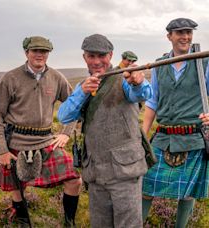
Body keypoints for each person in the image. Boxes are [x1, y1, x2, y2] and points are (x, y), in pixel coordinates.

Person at [57, 34, 152, 227]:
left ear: (110, 55)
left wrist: (139, 82)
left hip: (125, 171)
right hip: (95, 172)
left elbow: (142, 93)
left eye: (102, 56)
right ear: (84, 57)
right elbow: (64, 116)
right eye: (91, 56)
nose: (97, 61)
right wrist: (82, 92)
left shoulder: (124, 78)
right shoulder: (82, 86)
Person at [141, 18, 209, 227]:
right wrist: (142, 136)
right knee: (145, 186)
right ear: (169, 36)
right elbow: (153, 101)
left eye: (188, 32)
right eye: (179, 32)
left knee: (188, 193)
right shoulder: (159, 65)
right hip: (163, 137)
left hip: (193, 138)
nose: (185, 37)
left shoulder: (205, 62)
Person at [0, 36, 82, 226]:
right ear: (26, 53)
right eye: (35, 51)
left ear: (48, 54)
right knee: (15, 186)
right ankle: (23, 221)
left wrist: (66, 132)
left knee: (75, 180)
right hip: (15, 143)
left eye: (44, 52)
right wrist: (2, 151)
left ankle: (69, 221)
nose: (40, 55)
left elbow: (74, 106)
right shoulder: (10, 78)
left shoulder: (57, 78)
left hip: (46, 142)